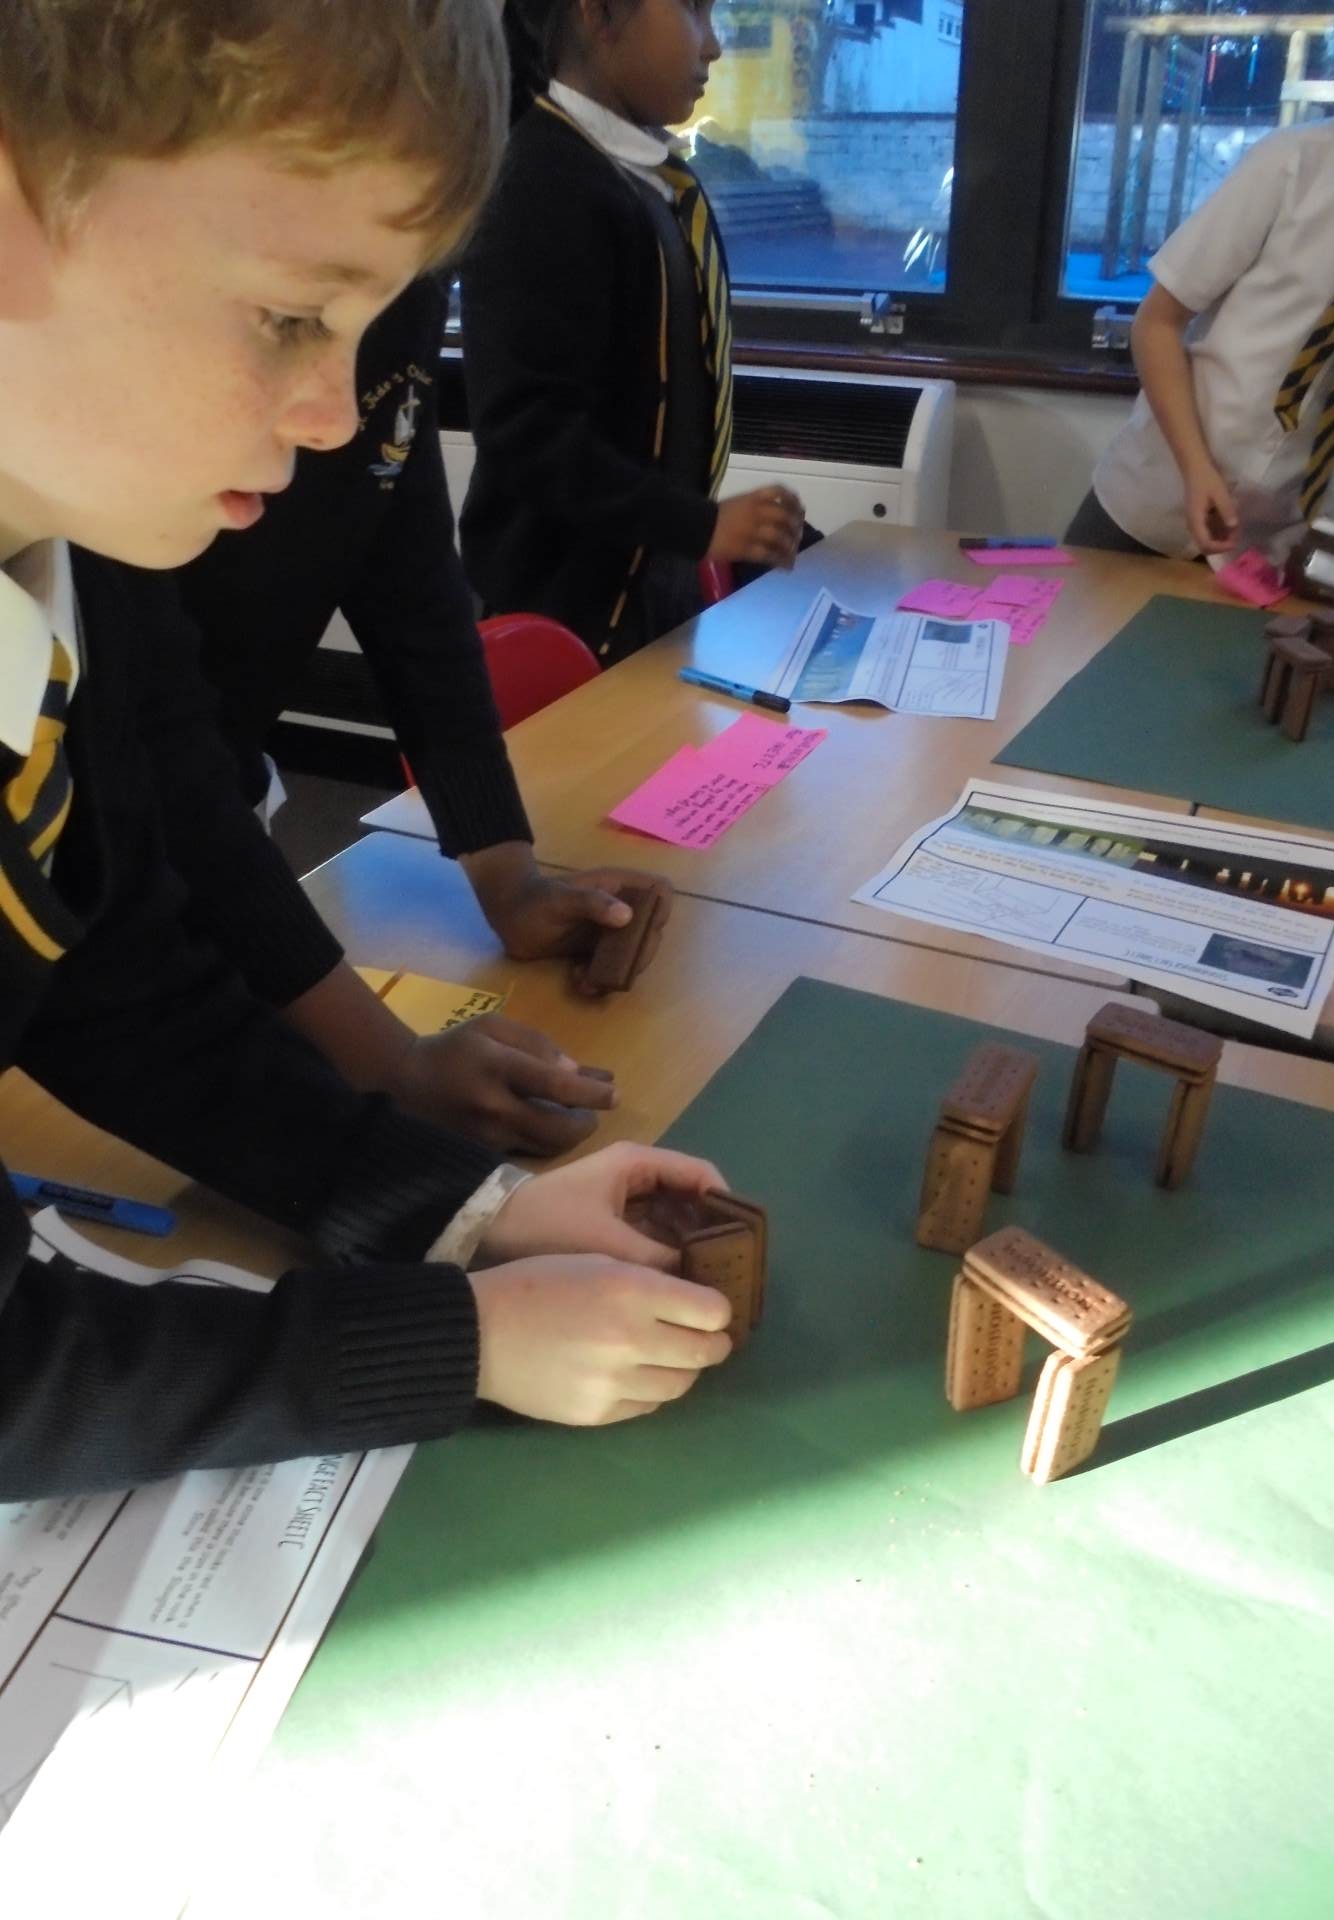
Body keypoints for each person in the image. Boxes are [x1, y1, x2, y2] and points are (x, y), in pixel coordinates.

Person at [0, 0, 734, 1502]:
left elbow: (119, 985)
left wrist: (469, 1214)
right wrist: (456, 1343)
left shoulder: (73, 572)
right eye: (290, 317)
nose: (337, 418)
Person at [161, 268, 673, 1156]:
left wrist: (508, 877)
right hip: (147, 820)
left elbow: (418, 601)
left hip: (205, 826)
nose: (337, 421)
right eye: (292, 323)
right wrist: (387, 1060)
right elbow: (154, 756)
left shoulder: (397, 291)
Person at [458, 0, 806, 664]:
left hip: (647, 598)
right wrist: (699, 524)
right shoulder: (541, 182)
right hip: (563, 618)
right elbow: (527, 434)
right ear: (598, 14)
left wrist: (736, 531)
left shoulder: (646, 180)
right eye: (693, 11)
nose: (713, 46)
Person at [1067, 4, 1334, 561]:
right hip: (1148, 506)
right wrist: (1197, 470)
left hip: (1268, 545)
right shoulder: (1293, 164)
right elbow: (1157, 323)